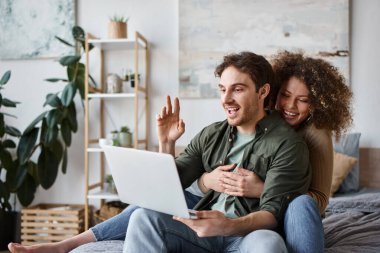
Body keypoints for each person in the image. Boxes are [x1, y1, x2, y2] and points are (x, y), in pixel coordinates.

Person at [8, 51, 311, 253]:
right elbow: (171, 185)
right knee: (144, 217)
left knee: (269, 245)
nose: (226, 99)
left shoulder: (288, 144)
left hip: (247, 234)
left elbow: (272, 214)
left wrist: (229, 224)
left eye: (238, 89)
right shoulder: (212, 133)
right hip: (201, 227)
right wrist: (166, 143)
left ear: (263, 91)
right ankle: (65, 246)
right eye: (222, 89)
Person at [209, 51, 353, 253]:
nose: (290, 106)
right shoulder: (258, 118)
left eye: (302, 99)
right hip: (253, 215)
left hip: (291, 219)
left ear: (314, 103)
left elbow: (319, 199)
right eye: (285, 95)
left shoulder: (316, 133)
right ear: (272, 91)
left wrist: (263, 189)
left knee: (302, 203)